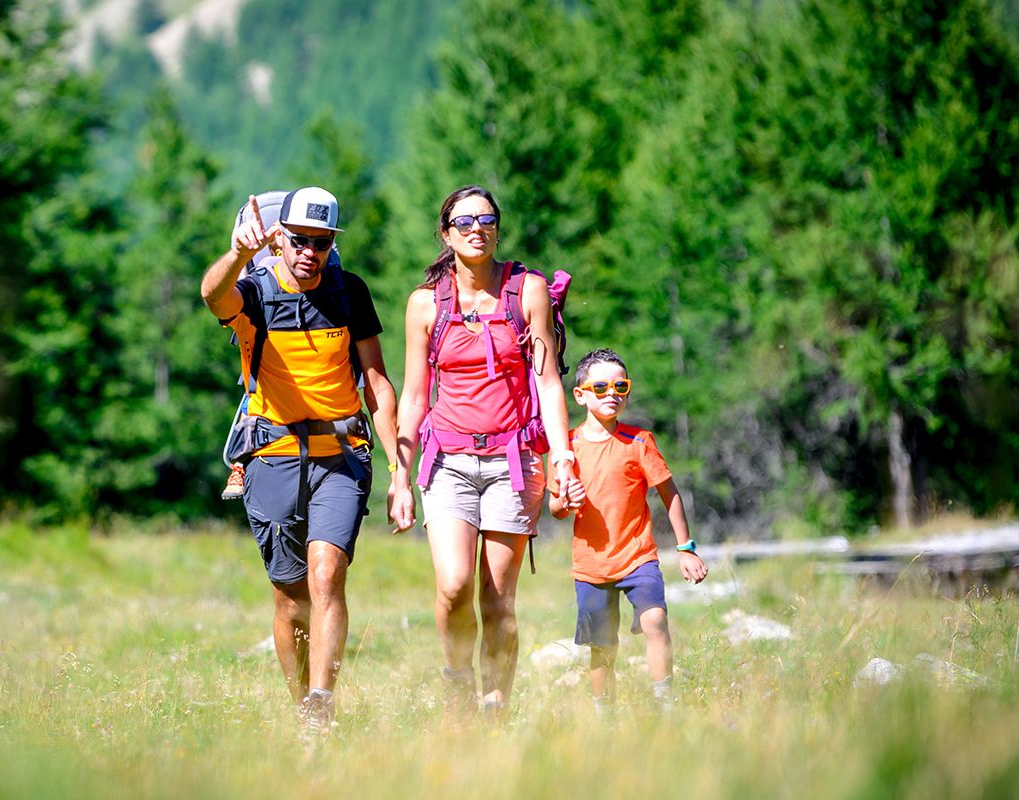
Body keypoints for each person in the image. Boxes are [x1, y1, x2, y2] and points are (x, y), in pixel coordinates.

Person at [200, 186, 400, 737]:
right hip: (272, 456)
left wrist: (400, 469)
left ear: (333, 244)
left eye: (322, 242)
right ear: (280, 239)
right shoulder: (255, 291)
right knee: (291, 600)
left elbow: (377, 382)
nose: (310, 251)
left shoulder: (349, 291)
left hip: (342, 456)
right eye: (299, 240)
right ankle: (301, 708)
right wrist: (238, 254)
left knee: (327, 574)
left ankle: (320, 706)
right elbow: (213, 297)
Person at [389, 185, 581, 720]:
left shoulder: (527, 291)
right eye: (465, 221)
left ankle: (495, 709)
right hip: (447, 461)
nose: (478, 228)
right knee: (454, 586)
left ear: (497, 227)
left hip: (513, 464)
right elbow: (414, 395)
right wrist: (400, 476)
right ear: (446, 233)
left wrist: (563, 457)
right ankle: (457, 684)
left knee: (498, 599)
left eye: (487, 219)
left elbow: (547, 382)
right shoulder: (425, 303)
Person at [548, 348, 707, 708]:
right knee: (602, 646)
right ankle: (605, 715)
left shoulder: (639, 442)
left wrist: (686, 549)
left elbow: (670, 493)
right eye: (601, 387)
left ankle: (665, 705)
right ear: (580, 395)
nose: (612, 394)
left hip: (638, 557)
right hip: (591, 566)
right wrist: (566, 501)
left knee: (655, 620)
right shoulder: (565, 448)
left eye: (621, 386)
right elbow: (555, 509)